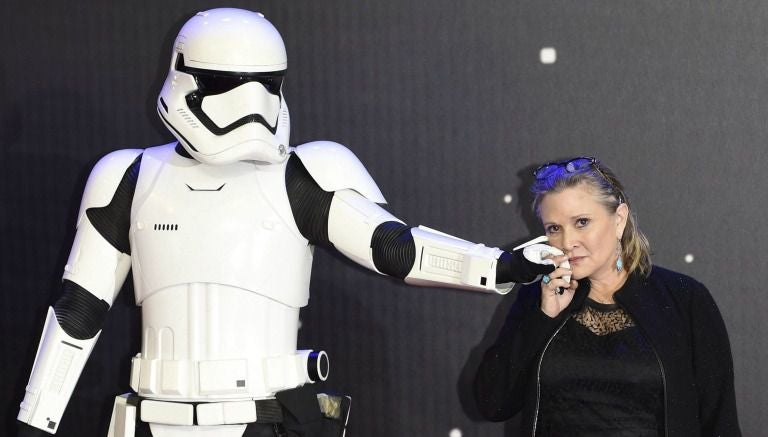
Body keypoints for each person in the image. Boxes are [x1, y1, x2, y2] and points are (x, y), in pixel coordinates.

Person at [16, 8, 553, 437]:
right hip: (153, 418)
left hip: (267, 418)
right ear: (186, 79)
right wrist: (36, 420)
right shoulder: (129, 175)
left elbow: (395, 248)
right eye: (227, 83)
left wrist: (502, 264)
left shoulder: (305, 173)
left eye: (265, 84)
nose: (250, 105)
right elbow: (78, 311)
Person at [473, 157, 741, 437]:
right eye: (554, 228)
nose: (567, 242)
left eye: (582, 222)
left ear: (619, 219)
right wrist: (542, 317)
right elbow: (492, 404)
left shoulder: (685, 299)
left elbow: (720, 421)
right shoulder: (538, 296)